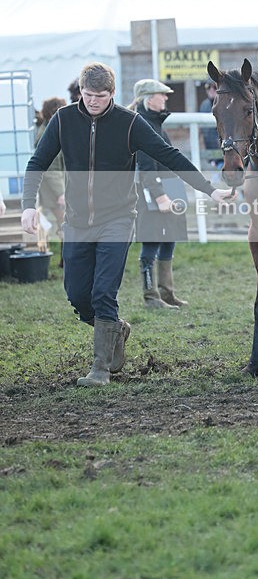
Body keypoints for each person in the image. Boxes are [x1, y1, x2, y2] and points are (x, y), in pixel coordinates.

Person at [21, 62, 234, 388]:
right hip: (77, 221)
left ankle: (100, 369)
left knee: (104, 291)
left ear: (113, 94)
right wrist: (28, 206)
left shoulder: (130, 123)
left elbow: (170, 154)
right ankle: (115, 329)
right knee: (77, 294)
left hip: (118, 219)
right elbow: (37, 162)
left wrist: (210, 188)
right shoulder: (63, 120)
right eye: (88, 94)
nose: (93, 101)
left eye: (101, 96)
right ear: (81, 91)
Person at [129, 78, 189, 310]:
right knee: (152, 241)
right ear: (148, 98)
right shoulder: (142, 124)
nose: (165, 98)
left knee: (169, 239)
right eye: (161, 94)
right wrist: (160, 196)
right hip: (153, 191)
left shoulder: (155, 124)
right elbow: (145, 166)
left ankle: (166, 292)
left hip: (169, 187)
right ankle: (151, 296)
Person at [35, 97, 66, 257]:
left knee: (64, 225)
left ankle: (66, 259)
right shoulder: (48, 133)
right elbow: (52, 167)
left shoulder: (50, 128)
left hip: (55, 187)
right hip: (54, 190)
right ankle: (67, 260)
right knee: (65, 224)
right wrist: (61, 193)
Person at [199, 80, 220, 159]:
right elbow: (200, 130)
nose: (211, 90)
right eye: (208, 87)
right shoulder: (204, 105)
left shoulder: (226, 104)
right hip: (209, 152)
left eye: (214, 87)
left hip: (224, 152)